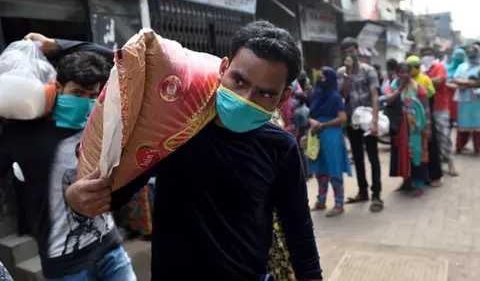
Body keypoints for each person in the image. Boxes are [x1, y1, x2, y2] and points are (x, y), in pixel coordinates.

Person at [65, 21, 323, 281]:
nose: (245, 98)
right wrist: (77, 198)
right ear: (224, 69)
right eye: (239, 81)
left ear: (283, 98)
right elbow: (121, 191)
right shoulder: (176, 126)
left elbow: (298, 229)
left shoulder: (281, 148)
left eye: (265, 93)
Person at [0, 34, 137, 281]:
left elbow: (127, 60)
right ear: (57, 88)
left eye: (92, 96)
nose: (85, 103)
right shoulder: (23, 135)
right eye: (77, 93)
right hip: (66, 267)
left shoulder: (95, 124)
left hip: (110, 249)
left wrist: (56, 45)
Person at [336, 37, 383, 213]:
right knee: (358, 158)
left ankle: (376, 195)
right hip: (352, 121)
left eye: (352, 51)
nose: (350, 55)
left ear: (357, 50)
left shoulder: (368, 70)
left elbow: (375, 96)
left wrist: (375, 121)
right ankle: (362, 191)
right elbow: (343, 94)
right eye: (346, 52)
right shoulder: (341, 72)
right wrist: (348, 73)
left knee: (373, 158)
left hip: (367, 120)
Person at [308, 67, 351, 217]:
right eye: (319, 77)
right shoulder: (316, 95)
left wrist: (323, 125)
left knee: (334, 168)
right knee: (320, 169)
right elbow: (310, 114)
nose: (320, 80)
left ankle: (339, 203)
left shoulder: (335, 97)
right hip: (316, 134)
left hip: (331, 135)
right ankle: (321, 200)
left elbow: (342, 118)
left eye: (323, 77)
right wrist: (313, 122)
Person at [385, 62, 431, 196]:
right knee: (401, 153)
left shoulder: (419, 88)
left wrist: (428, 126)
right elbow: (388, 101)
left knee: (416, 153)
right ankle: (406, 181)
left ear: (411, 73)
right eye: (401, 72)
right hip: (399, 126)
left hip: (416, 127)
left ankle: (418, 184)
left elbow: (426, 108)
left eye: (406, 72)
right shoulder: (392, 86)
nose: (404, 75)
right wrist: (399, 90)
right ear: (397, 73)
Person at [420, 47, 459, 176]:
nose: (427, 56)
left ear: (434, 55)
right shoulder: (420, 68)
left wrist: (422, 81)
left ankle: (450, 163)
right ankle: (435, 165)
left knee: (444, 135)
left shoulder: (439, 67)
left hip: (440, 107)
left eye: (429, 54)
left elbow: (440, 81)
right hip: (424, 108)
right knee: (428, 138)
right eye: (424, 54)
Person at [407, 55, 443, 186]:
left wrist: (426, 120)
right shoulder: (405, 79)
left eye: (416, 66)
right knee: (413, 148)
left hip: (425, 115)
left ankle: (435, 176)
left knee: (431, 144)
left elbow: (430, 98)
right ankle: (414, 178)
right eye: (410, 67)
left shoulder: (425, 79)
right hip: (410, 118)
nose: (413, 69)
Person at [452, 45, 480, 154]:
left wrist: (466, 83)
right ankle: (459, 147)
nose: (471, 54)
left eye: (473, 52)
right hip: (464, 100)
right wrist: (470, 83)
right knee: (463, 124)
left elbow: (478, 83)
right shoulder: (462, 66)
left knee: (478, 126)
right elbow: (455, 79)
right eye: (469, 52)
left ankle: (477, 149)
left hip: (477, 100)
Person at [446, 48, 466, 126]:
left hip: (462, 94)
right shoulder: (447, 68)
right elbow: (444, 80)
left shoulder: (465, 68)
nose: (458, 57)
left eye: (461, 55)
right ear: (453, 56)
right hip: (448, 94)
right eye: (457, 55)